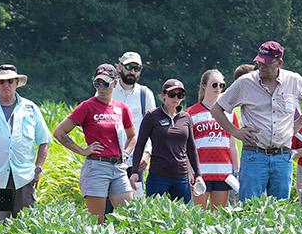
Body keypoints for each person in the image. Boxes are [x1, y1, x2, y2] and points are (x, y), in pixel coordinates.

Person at [212, 40, 302, 201]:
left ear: (279, 62)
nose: (261, 67)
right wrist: (235, 131)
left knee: (279, 209)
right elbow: (217, 109)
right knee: (249, 207)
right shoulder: (245, 82)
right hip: (254, 155)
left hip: (283, 156)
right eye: (259, 62)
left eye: (266, 63)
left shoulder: (293, 80)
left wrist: (299, 123)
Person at [0, 64, 51, 221]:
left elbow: (44, 140)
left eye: (10, 81)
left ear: (17, 83)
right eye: (2, 82)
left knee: (26, 228)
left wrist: (38, 168)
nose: (6, 85)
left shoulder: (31, 108)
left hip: (25, 178)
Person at [56, 63, 137, 221]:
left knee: (127, 218)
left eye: (105, 83)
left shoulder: (122, 108)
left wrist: (126, 152)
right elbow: (59, 133)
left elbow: (132, 135)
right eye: (97, 83)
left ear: (115, 83)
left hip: (119, 167)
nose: (101, 87)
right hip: (96, 167)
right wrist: (82, 150)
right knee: (97, 221)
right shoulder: (87, 106)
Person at [130, 77, 197, 203]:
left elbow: (191, 148)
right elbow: (140, 145)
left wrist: (198, 175)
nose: (176, 98)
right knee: (153, 215)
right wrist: (135, 171)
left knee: (183, 217)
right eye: (172, 94)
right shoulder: (152, 116)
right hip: (158, 176)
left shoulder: (186, 117)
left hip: (181, 176)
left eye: (180, 95)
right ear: (163, 95)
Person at [187, 70, 238, 209]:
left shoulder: (229, 113)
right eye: (214, 85)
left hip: (223, 172)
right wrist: (189, 170)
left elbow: (232, 144)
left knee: (219, 217)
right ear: (204, 86)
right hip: (200, 173)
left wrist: (236, 170)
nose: (218, 88)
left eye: (222, 85)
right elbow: (187, 147)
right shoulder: (191, 113)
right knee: (198, 215)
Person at [110, 51, 157, 174]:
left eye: (137, 68)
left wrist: (147, 153)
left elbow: (153, 128)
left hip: (136, 162)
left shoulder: (145, 94)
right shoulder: (108, 90)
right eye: (129, 67)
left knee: (137, 194)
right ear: (119, 67)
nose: (132, 72)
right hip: (109, 160)